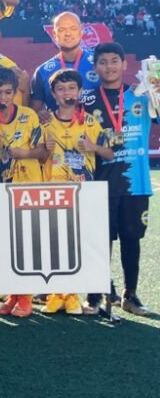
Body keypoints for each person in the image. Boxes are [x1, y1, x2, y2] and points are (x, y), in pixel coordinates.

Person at [83, 43, 154, 316]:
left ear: (125, 65)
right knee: (100, 240)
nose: (109, 66)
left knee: (131, 238)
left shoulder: (143, 97)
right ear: (95, 67)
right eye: (103, 62)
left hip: (136, 182)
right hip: (99, 183)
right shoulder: (86, 100)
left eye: (114, 61)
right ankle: (97, 293)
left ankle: (131, 295)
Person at [40, 69, 114, 316]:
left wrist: (92, 147)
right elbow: (38, 157)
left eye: (71, 88)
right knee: (55, 244)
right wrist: (44, 148)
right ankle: (56, 294)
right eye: (61, 89)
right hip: (53, 191)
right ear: (53, 94)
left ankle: (73, 295)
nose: (67, 93)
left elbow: (110, 153)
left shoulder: (90, 122)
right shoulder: (45, 122)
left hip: (83, 192)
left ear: (79, 92)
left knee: (78, 244)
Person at [0, 67, 45, 318]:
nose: (3, 98)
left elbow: (43, 153)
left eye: (8, 92)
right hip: (2, 191)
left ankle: (26, 298)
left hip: (29, 188)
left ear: (16, 92)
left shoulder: (29, 115)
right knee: (7, 245)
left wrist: (24, 153)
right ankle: (12, 296)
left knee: (25, 243)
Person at [31, 12, 98, 112]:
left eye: (73, 29)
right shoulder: (42, 72)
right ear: (54, 34)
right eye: (62, 30)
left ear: (81, 31)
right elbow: (35, 113)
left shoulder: (99, 64)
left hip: (96, 126)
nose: (68, 34)